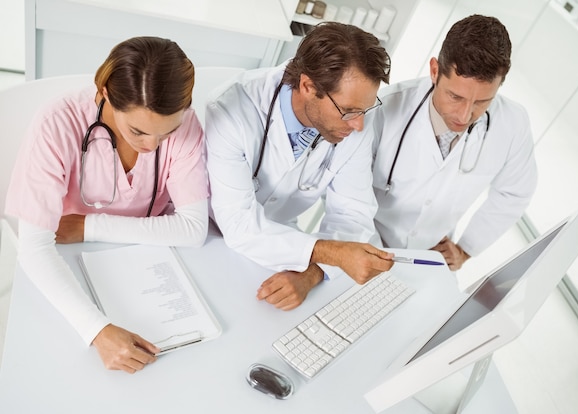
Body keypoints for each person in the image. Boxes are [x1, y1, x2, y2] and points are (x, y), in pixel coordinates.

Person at [4, 37, 209, 373]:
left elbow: (193, 229)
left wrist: (89, 226)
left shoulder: (187, 124)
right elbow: (34, 248)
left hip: (149, 260)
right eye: (139, 131)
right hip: (68, 262)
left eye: (167, 133)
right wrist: (96, 330)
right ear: (104, 93)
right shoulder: (58, 123)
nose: (151, 146)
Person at [205, 22, 393, 311]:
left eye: (365, 110)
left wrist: (312, 272)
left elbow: (353, 215)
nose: (359, 124)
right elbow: (240, 226)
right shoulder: (232, 111)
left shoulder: (355, 122)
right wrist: (334, 254)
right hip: (210, 235)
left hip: (281, 250)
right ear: (307, 86)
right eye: (348, 112)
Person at [370, 15, 537, 270]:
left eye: (482, 102)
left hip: (432, 261)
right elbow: (348, 190)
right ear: (435, 71)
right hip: (364, 244)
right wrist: (368, 251)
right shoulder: (385, 108)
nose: (464, 115)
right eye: (455, 96)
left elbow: (514, 193)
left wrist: (465, 250)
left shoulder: (513, 123)